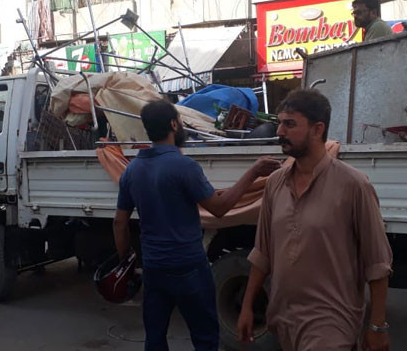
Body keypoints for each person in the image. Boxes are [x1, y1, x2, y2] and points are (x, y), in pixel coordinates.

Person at [112, 101, 281, 351]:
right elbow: (220, 208)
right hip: (188, 268)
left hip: (154, 268)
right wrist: (254, 171)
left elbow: (119, 223)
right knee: (204, 339)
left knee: (155, 338)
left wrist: (126, 260)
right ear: (173, 124)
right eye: (179, 121)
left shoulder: (132, 170)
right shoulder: (184, 167)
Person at [237, 89, 393, 351]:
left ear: (317, 129)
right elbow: (262, 253)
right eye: (279, 124)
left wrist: (377, 327)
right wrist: (246, 307)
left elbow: (377, 264)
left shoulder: (354, 185)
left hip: (331, 324)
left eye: (290, 124)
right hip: (284, 319)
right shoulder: (275, 183)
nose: (280, 133)